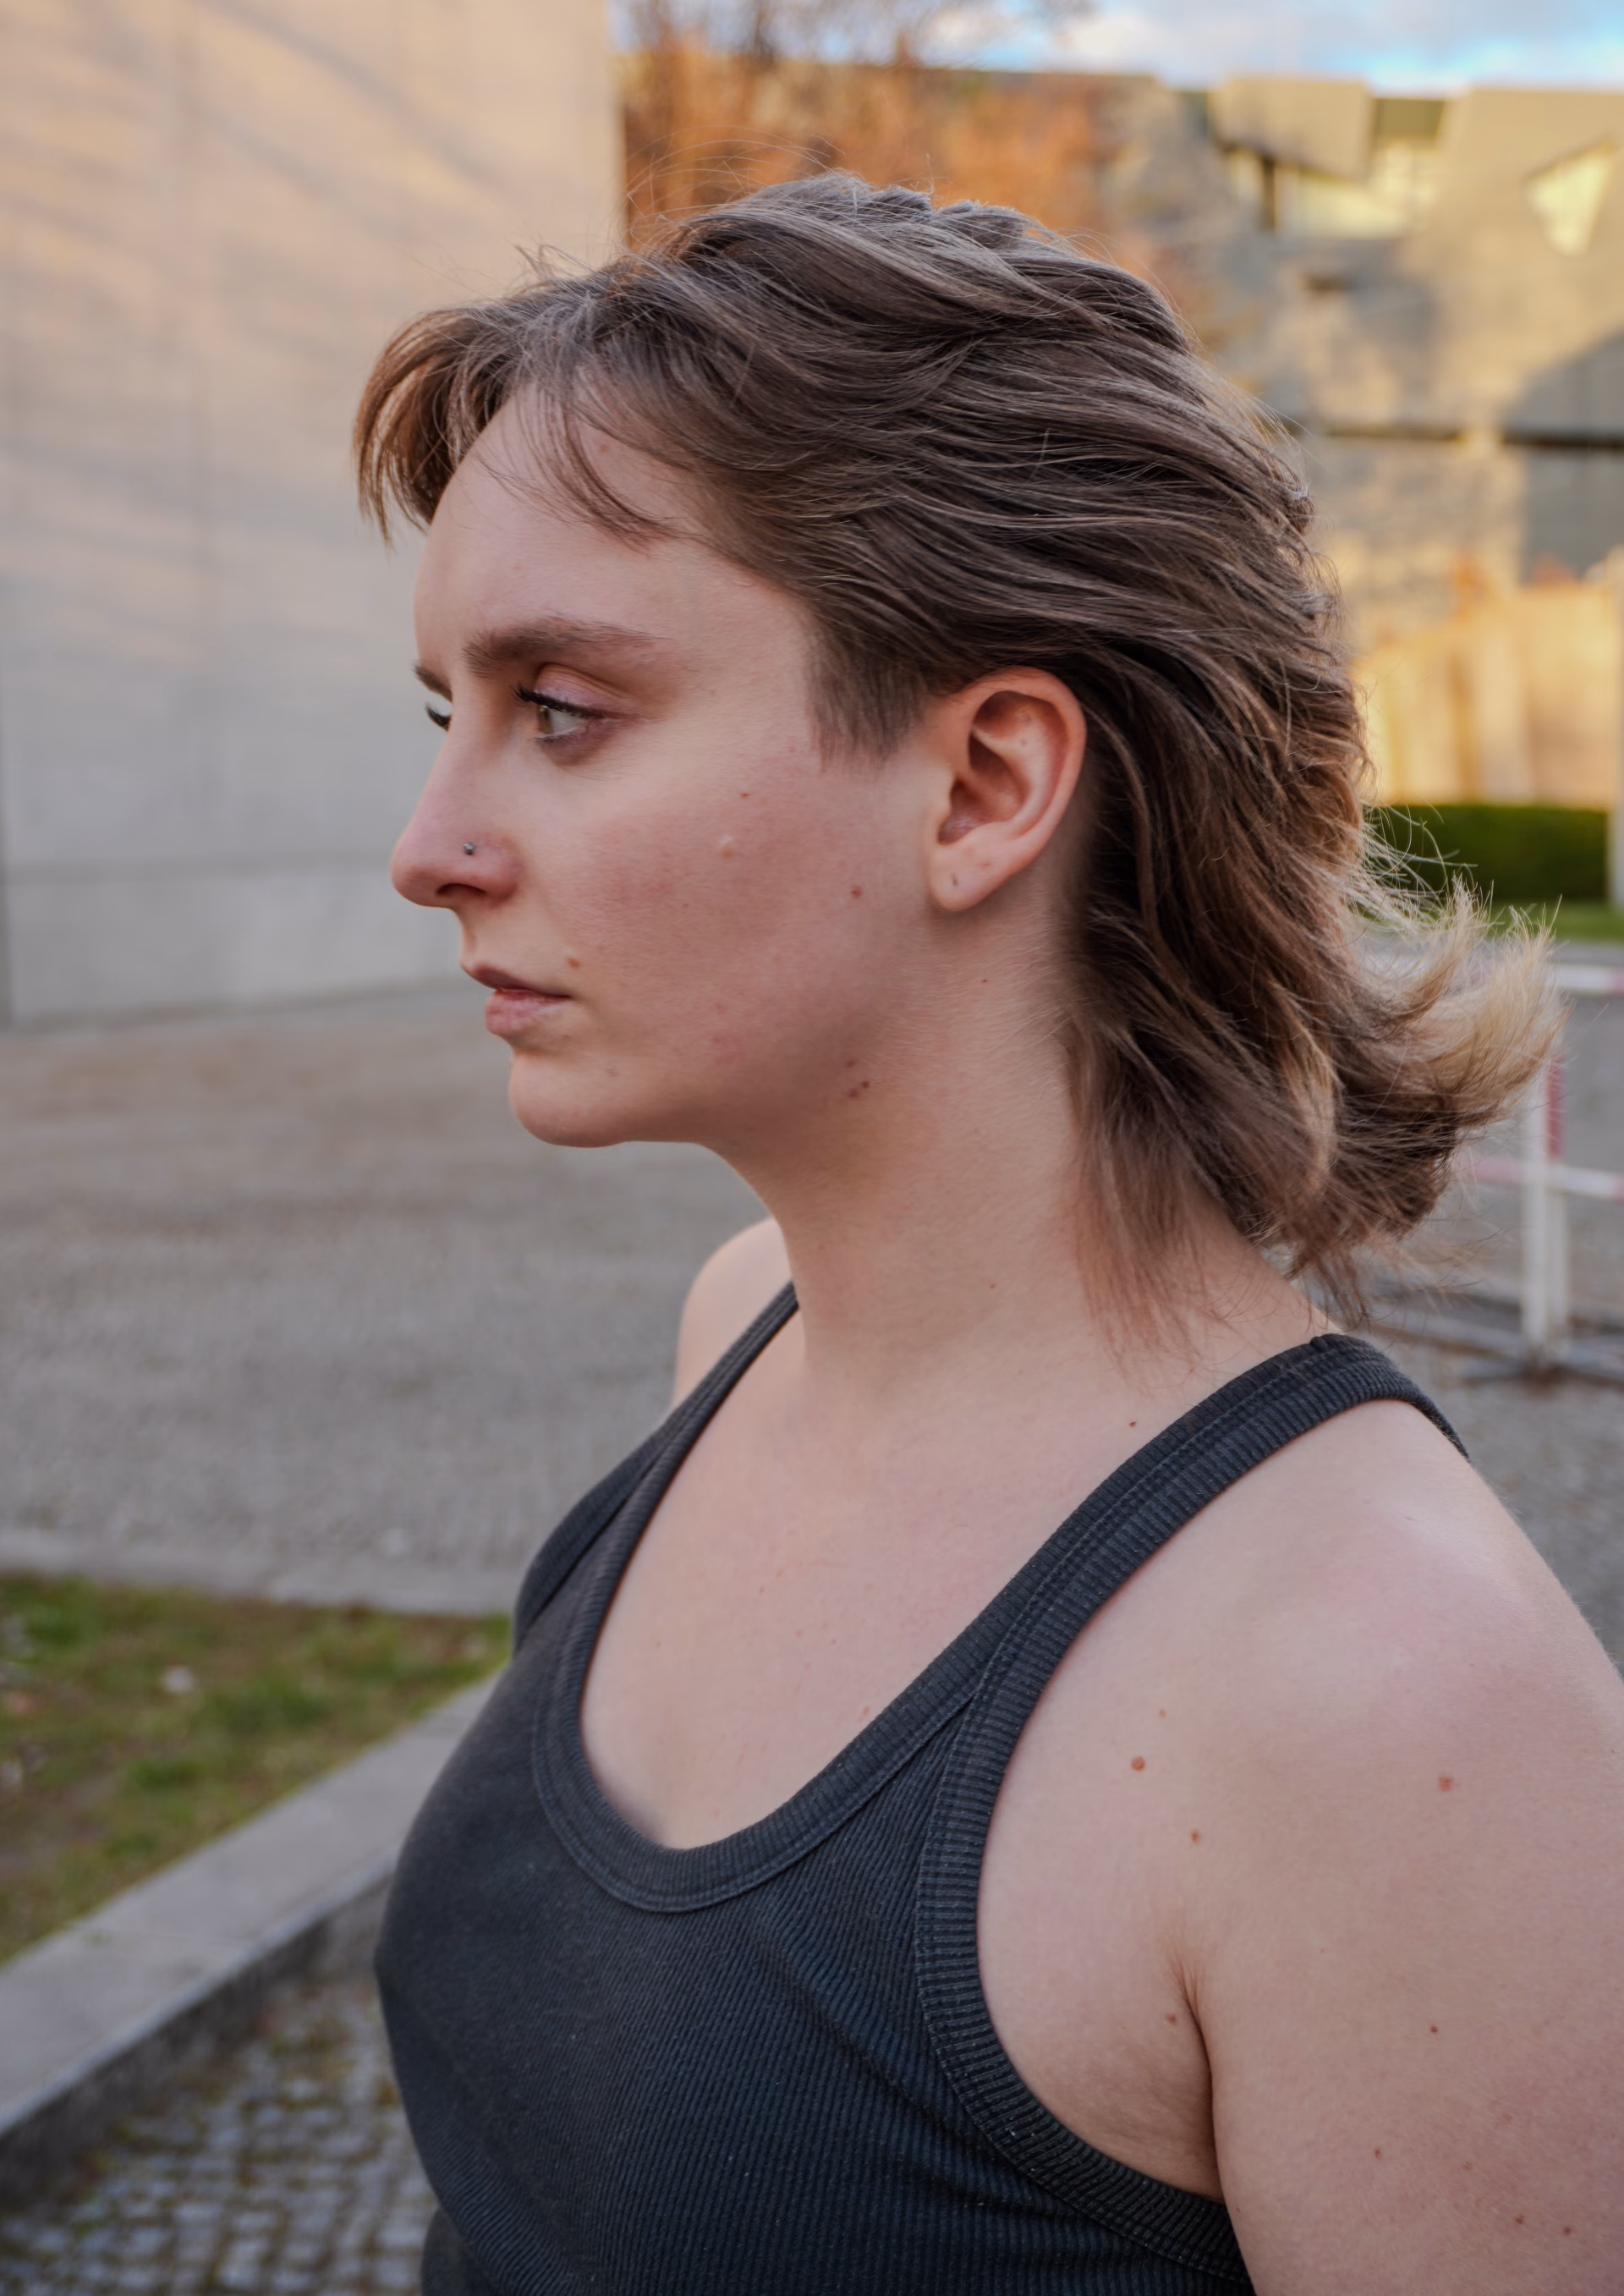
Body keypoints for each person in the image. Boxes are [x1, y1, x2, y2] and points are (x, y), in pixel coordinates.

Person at [357, 177, 1624, 2293]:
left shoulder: (1395, 1701)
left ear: (983, 786)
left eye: (560, 709)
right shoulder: (742, 1332)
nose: (430, 848)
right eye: (445, 721)